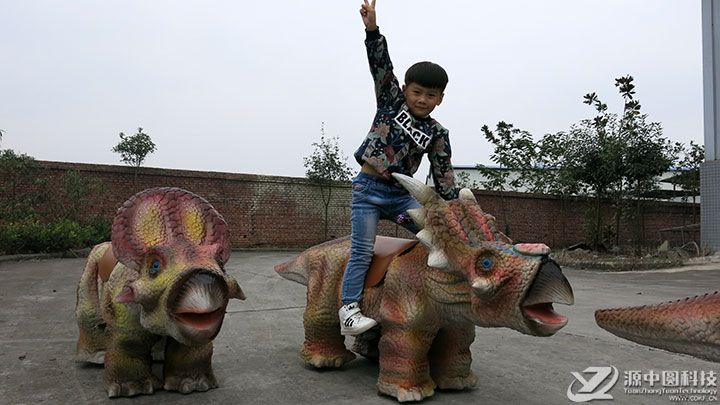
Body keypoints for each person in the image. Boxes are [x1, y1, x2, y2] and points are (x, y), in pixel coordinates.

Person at [339, 0, 458, 336]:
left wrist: (451, 210)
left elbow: (444, 175)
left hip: (400, 199)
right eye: (417, 92)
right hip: (368, 193)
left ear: (440, 98)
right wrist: (372, 30)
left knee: (434, 239)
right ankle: (348, 309)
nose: (422, 99)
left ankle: (439, 298)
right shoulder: (391, 101)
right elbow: (381, 65)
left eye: (430, 95)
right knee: (362, 249)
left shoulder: (437, 133)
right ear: (405, 89)